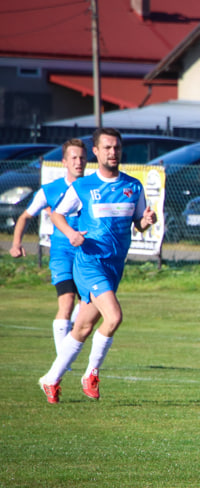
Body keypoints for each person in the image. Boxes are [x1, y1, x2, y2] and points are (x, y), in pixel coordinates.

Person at [38, 128, 156, 403]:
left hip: (114, 266)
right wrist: (71, 234)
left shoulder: (133, 186)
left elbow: (137, 223)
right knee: (113, 317)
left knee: (82, 328)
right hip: (89, 263)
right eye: (107, 148)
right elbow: (57, 214)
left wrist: (146, 222)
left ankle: (51, 379)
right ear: (96, 151)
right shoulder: (83, 187)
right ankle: (91, 373)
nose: (112, 152)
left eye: (116, 148)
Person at [8, 139, 87, 354]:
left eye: (82, 158)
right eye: (73, 158)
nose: (78, 162)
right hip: (62, 252)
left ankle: (67, 345)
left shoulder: (91, 187)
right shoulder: (50, 190)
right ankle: (63, 360)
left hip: (87, 254)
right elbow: (25, 216)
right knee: (67, 301)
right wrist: (16, 244)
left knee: (88, 307)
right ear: (64, 162)